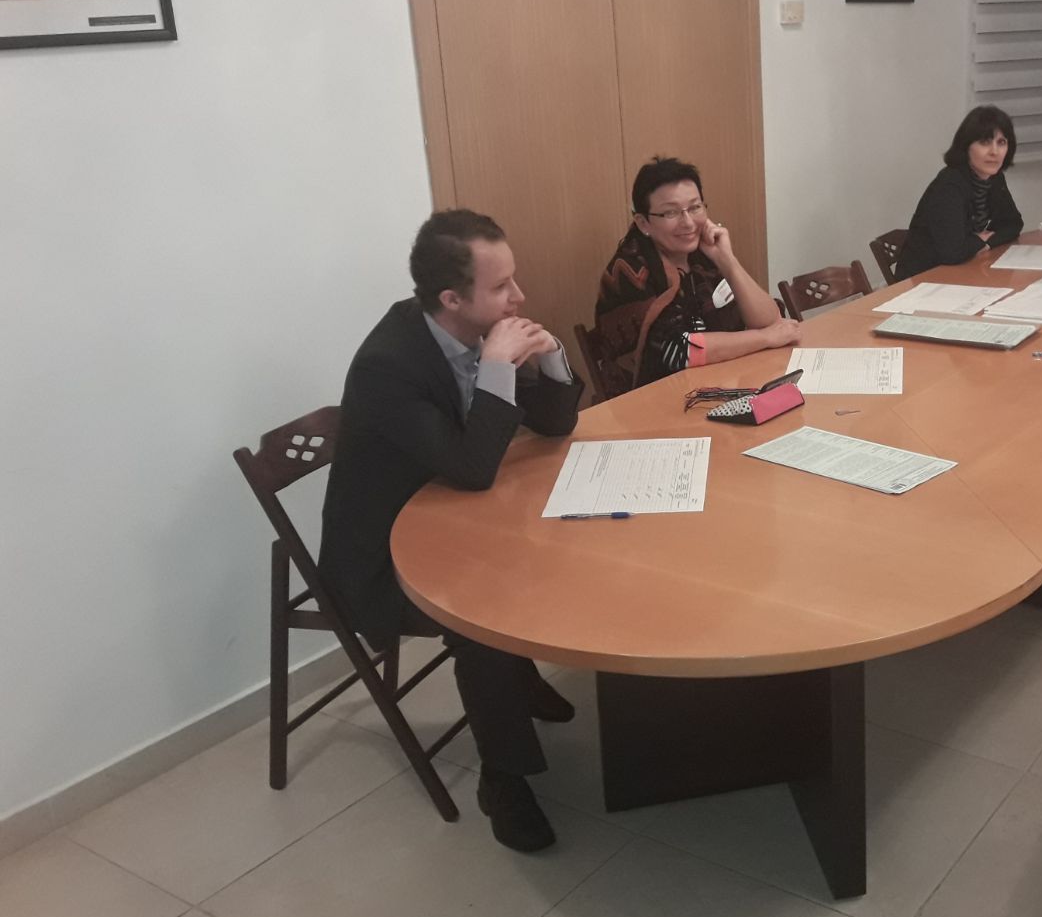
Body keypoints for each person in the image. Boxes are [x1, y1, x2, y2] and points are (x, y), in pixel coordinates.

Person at [320, 209, 585, 853]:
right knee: (480, 613)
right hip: (385, 554)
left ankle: (521, 680)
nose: (519, 297)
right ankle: (504, 781)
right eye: (502, 287)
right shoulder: (389, 365)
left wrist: (550, 357)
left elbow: (553, 426)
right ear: (451, 299)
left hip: (451, 514)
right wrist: (497, 369)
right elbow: (471, 467)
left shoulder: (474, 329)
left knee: (561, 542)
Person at [594, 156, 799, 389]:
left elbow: (770, 320)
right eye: (671, 213)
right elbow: (678, 352)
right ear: (643, 223)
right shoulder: (629, 271)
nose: (689, 223)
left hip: (720, 382)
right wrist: (765, 339)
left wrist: (728, 261)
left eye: (694, 207)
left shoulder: (702, 254)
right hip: (655, 397)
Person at [894, 105, 1025, 280]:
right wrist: (980, 240)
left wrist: (985, 241)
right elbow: (952, 253)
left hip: (961, 270)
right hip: (922, 279)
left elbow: (1013, 224)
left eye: (1001, 143)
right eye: (985, 142)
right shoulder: (950, 185)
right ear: (966, 147)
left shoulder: (994, 179)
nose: (994, 152)